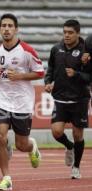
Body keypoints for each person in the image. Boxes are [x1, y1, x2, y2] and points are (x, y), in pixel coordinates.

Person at [0, 13, 43, 191]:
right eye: (3, 25)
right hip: (1, 100)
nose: (6, 29)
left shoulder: (27, 51)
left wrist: (20, 76)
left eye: (10, 26)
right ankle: (6, 177)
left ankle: (32, 146)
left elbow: (40, 72)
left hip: (22, 102)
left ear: (16, 29)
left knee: (22, 145)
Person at [44, 19, 91, 179]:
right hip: (60, 98)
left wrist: (76, 74)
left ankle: (76, 167)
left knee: (78, 134)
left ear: (78, 33)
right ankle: (69, 146)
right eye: (65, 32)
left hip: (80, 99)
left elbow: (90, 77)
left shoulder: (86, 51)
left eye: (70, 33)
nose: (67, 35)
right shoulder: (56, 49)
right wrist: (48, 82)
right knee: (56, 132)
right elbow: (50, 68)